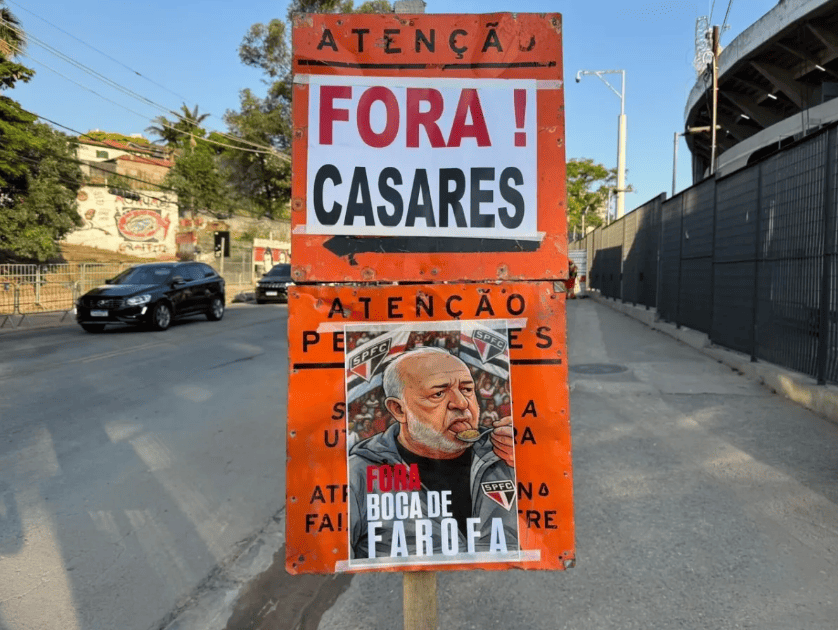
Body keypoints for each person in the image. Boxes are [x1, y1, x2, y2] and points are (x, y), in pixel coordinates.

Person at [348, 346, 517, 560]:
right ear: (399, 410)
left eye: (467, 389)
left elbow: (547, 540)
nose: (462, 403)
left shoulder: (506, 454)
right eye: (438, 394)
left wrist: (532, 466)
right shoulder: (357, 475)